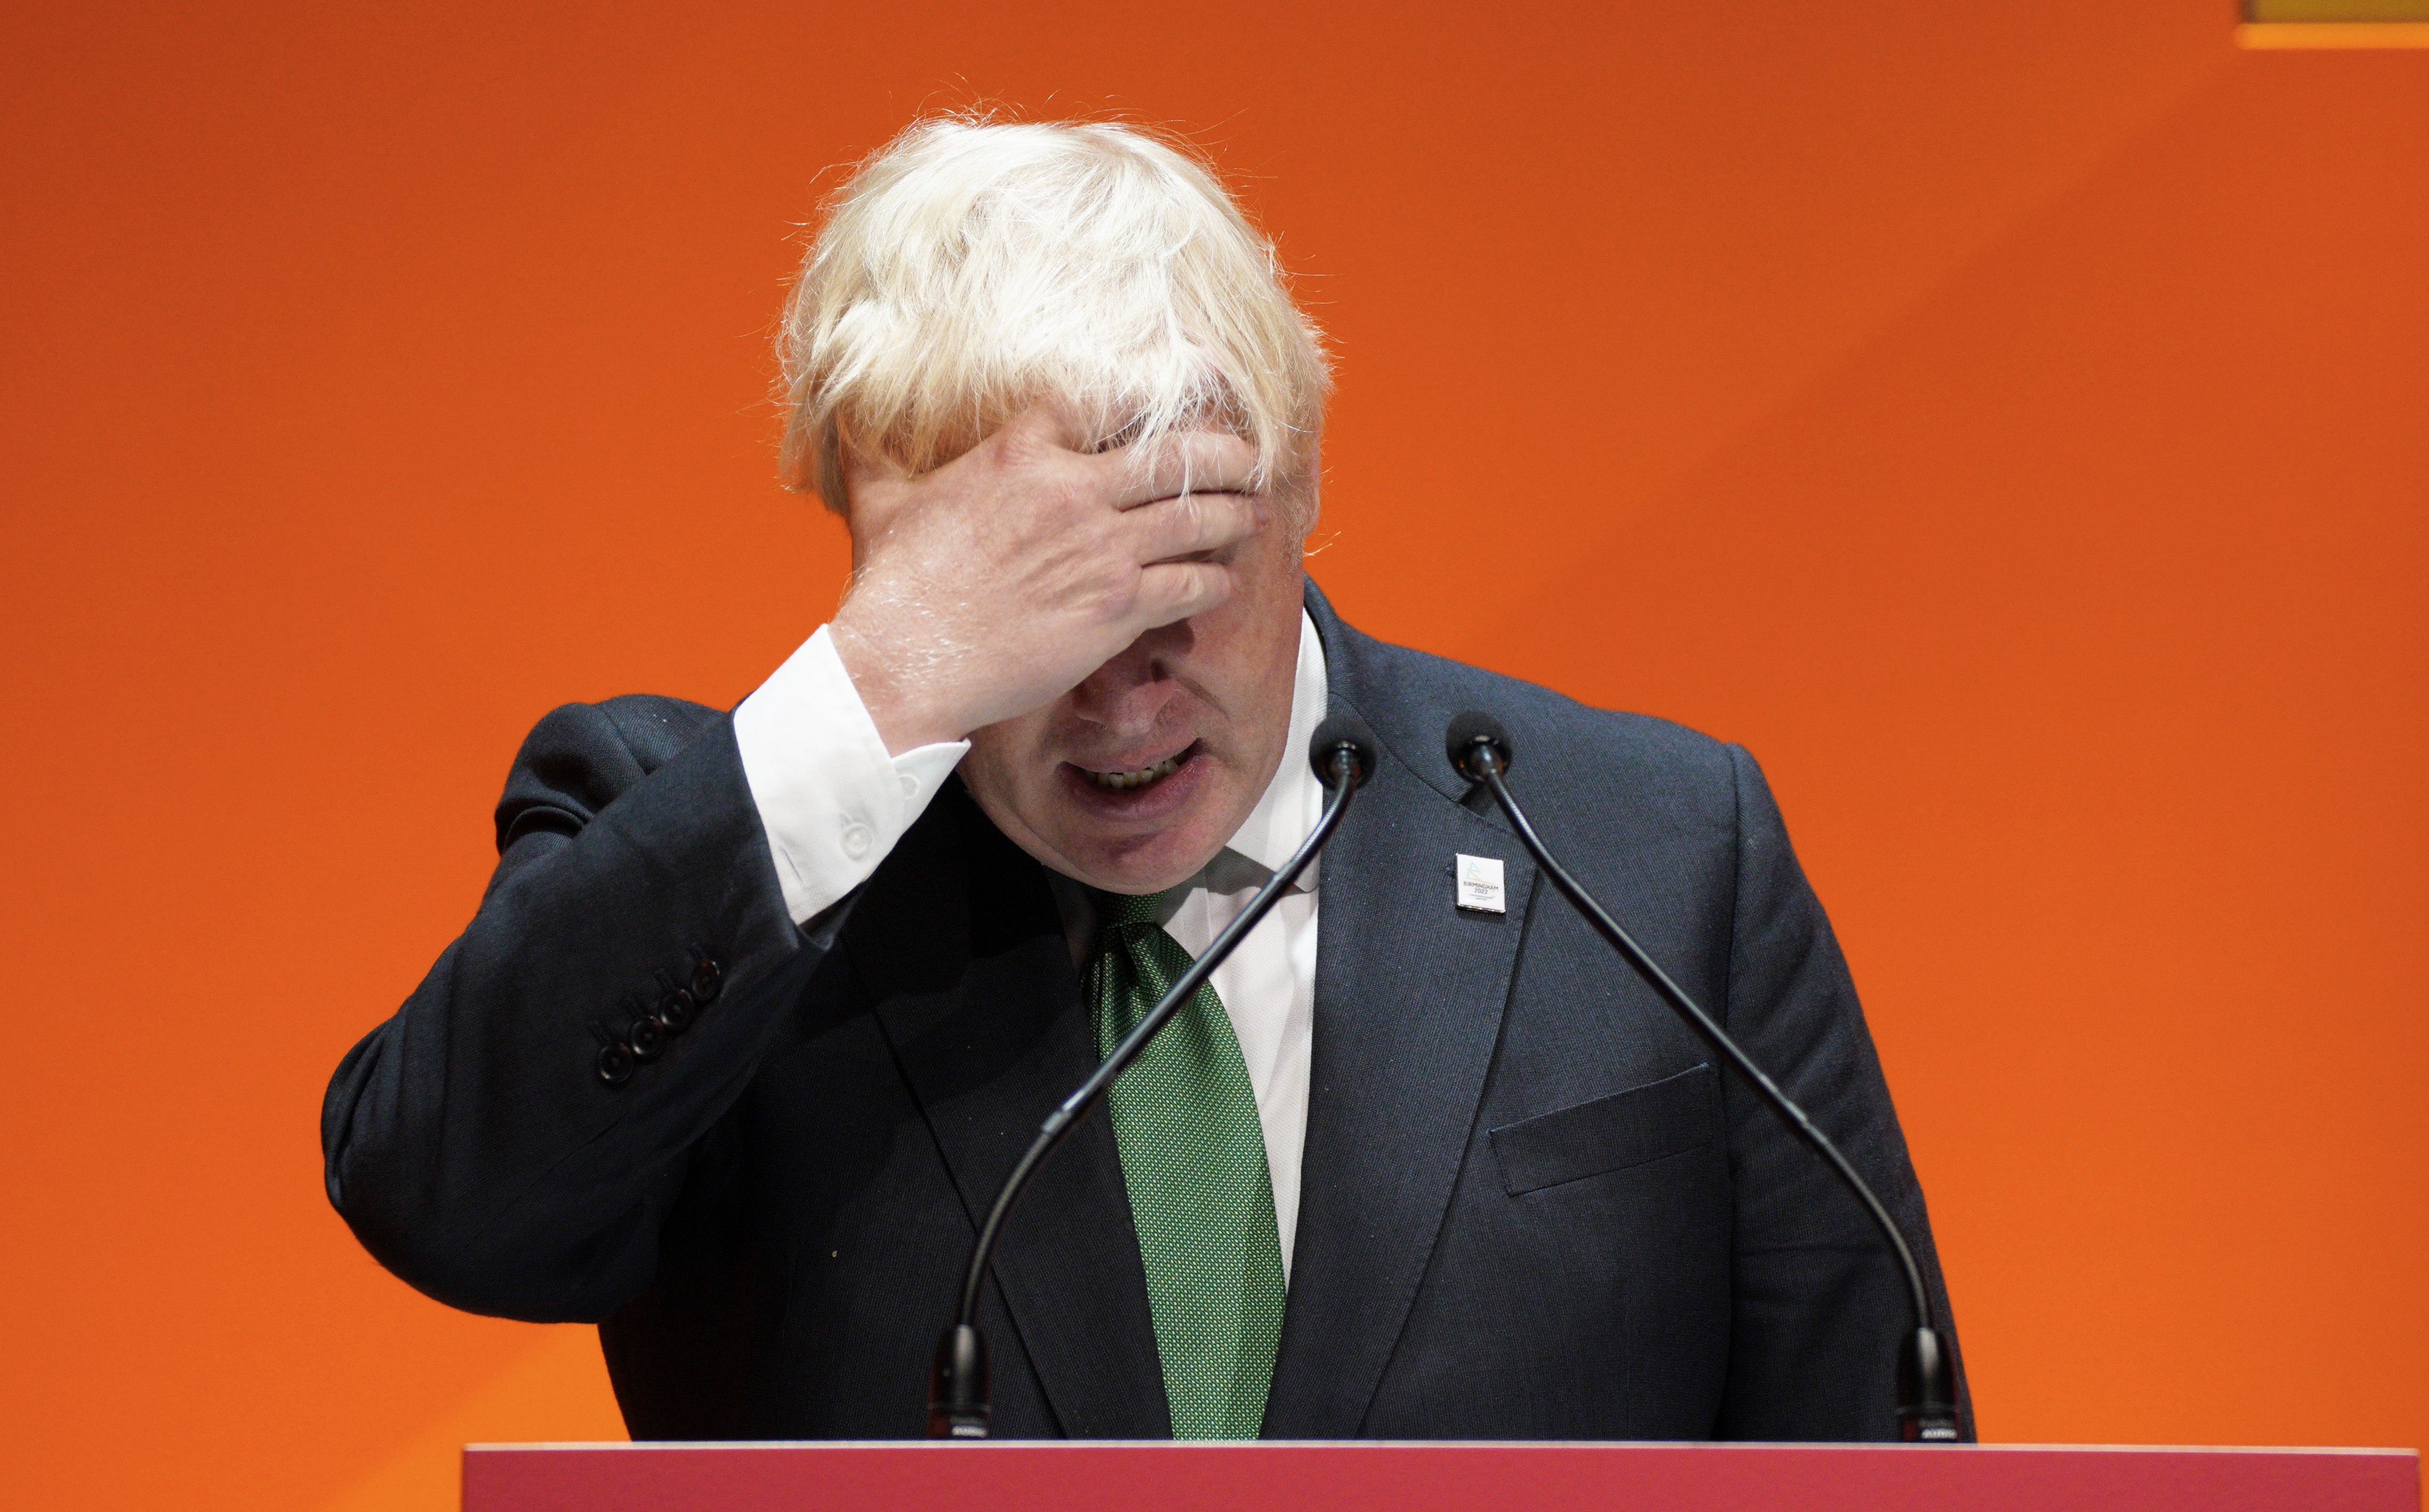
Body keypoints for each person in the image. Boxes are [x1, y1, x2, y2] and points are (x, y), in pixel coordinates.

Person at [321, 115, 1969, 1442]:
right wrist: (884, 686)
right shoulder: (714, 847)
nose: (1114, 699)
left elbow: (1874, 1435)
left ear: (1302, 483)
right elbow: (452, 1206)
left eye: (1174, 582)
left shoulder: (1649, 852)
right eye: (1023, 610)